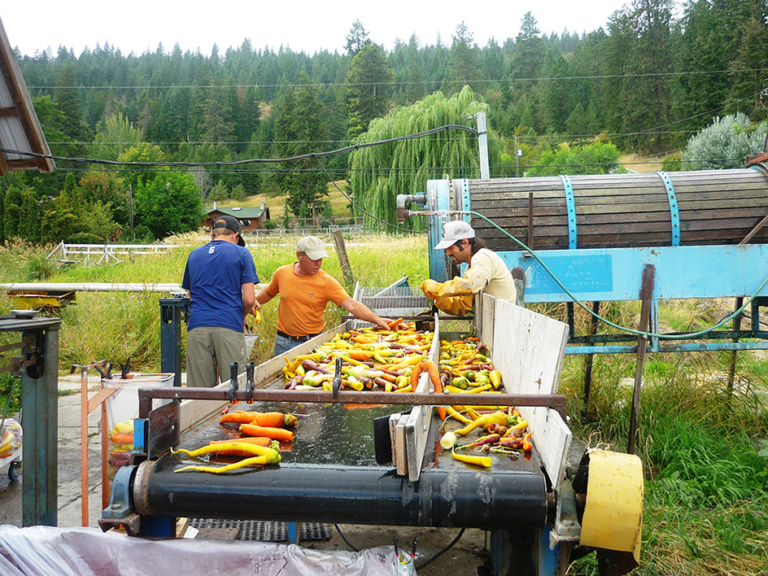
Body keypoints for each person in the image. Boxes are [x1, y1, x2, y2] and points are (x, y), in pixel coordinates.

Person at [256, 235, 390, 356]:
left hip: (313, 343)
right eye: (314, 259)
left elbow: (352, 305)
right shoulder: (282, 273)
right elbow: (268, 292)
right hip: (284, 343)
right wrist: (252, 302)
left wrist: (377, 320)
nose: (318, 262)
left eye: (320, 258)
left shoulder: (326, 281)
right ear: (299, 255)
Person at [182, 215, 259, 387]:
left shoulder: (194, 255)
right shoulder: (242, 253)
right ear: (236, 236)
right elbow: (249, 299)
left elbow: (192, 295)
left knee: (199, 393)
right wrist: (243, 316)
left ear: (213, 236)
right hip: (229, 325)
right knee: (235, 388)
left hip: (197, 328)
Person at [420, 220, 517, 315]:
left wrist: (438, 288)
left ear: (465, 243)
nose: (447, 253)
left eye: (450, 247)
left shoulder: (482, 257)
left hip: (504, 322)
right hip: (493, 323)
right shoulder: (471, 267)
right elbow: (463, 305)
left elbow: (472, 284)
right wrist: (438, 297)